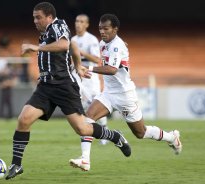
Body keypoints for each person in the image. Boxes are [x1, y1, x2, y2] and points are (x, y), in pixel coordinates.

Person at [5, 3, 131, 180]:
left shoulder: (59, 25)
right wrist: (77, 65)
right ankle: (16, 165)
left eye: (38, 17)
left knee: (83, 129)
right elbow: (72, 45)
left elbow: (65, 44)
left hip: (64, 86)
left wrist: (37, 47)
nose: (35, 20)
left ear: (49, 16)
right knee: (24, 119)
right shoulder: (46, 32)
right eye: (34, 17)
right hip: (46, 86)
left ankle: (114, 135)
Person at [69, 14, 182, 171]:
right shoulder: (103, 42)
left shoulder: (117, 45)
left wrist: (87, 68)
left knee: (140, 132)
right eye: (100, 28)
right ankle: (85, 160)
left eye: (106, 28)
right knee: (87, 119)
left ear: (115, 29)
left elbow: (112, 70)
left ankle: (171, 137)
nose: (102, 31)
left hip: (125, 95)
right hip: (108, 93)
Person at [71, 14, 109, 146]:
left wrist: (80, 52)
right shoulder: (72, 39)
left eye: (81, 21)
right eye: (77, 21)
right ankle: (87, 132)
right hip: (78, 75)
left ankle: (104, 131)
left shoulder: (91, 39)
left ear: (86, 24)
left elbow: (97, 60)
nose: (78, 24)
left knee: (96, 104)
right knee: (79, 104)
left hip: (90, 76)